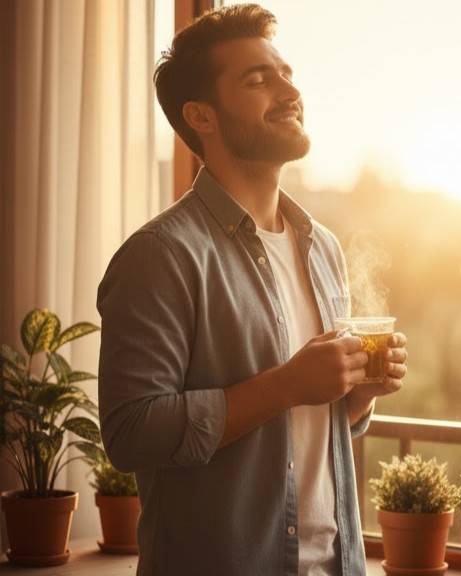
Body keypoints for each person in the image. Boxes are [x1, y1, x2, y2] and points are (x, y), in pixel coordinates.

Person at [97, 5, 407, 575]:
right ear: (202, 116)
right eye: (258, 80)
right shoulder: (161, 255)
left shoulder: (323, 247)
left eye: (286, 73)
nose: (289, 90)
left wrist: (358, 392)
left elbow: (319, 422)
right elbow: (129, 433)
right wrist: (288, 384)